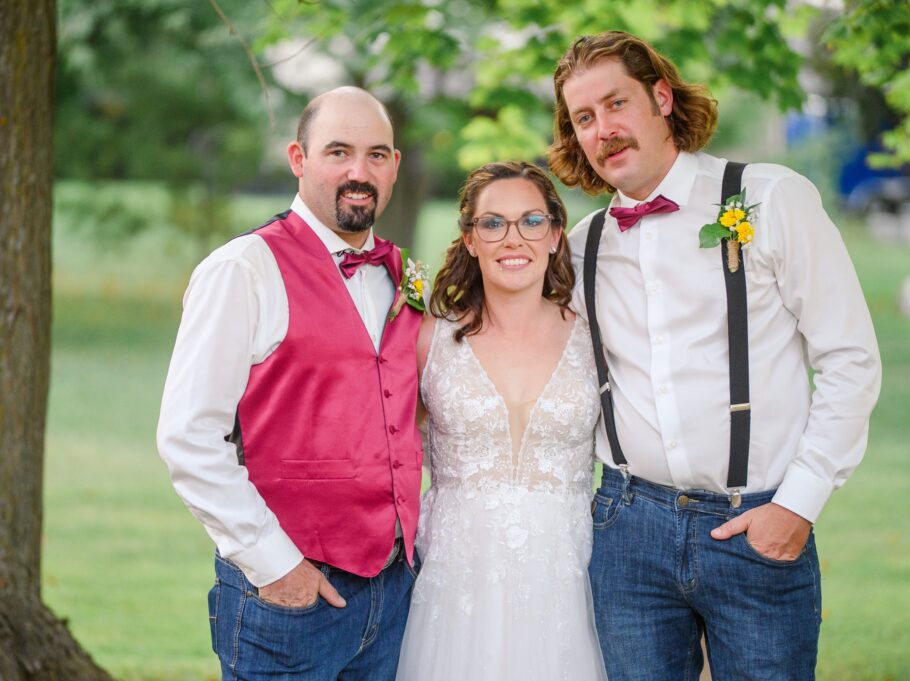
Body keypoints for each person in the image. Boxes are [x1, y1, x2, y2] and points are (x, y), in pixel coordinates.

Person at [549, 31, 882, 680]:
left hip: (755, 523)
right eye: (583, 118)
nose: (603, 129)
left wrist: (797, 504)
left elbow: (851, 359)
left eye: (616, 104)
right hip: (626, 531)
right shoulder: (583, 246)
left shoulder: (769, 198)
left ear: (662, 97)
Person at [156, 86, 423, 681]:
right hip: (290, 601)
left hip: (396, 594)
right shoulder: (241, 270)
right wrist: (274, 565)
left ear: (395, 166)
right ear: (298, 160)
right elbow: (189, 438)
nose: (360, 172)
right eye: (338, 152)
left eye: (377, 155)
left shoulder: (408, 276)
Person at [395, 161, 607, 681]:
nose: (514, 239)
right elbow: (389, 450)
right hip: (456, 588)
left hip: (566, 582)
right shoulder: (428, 340)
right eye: (493, 224)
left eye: (531, 222)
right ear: (470, 239)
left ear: (556, 235)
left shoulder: (597, 338)